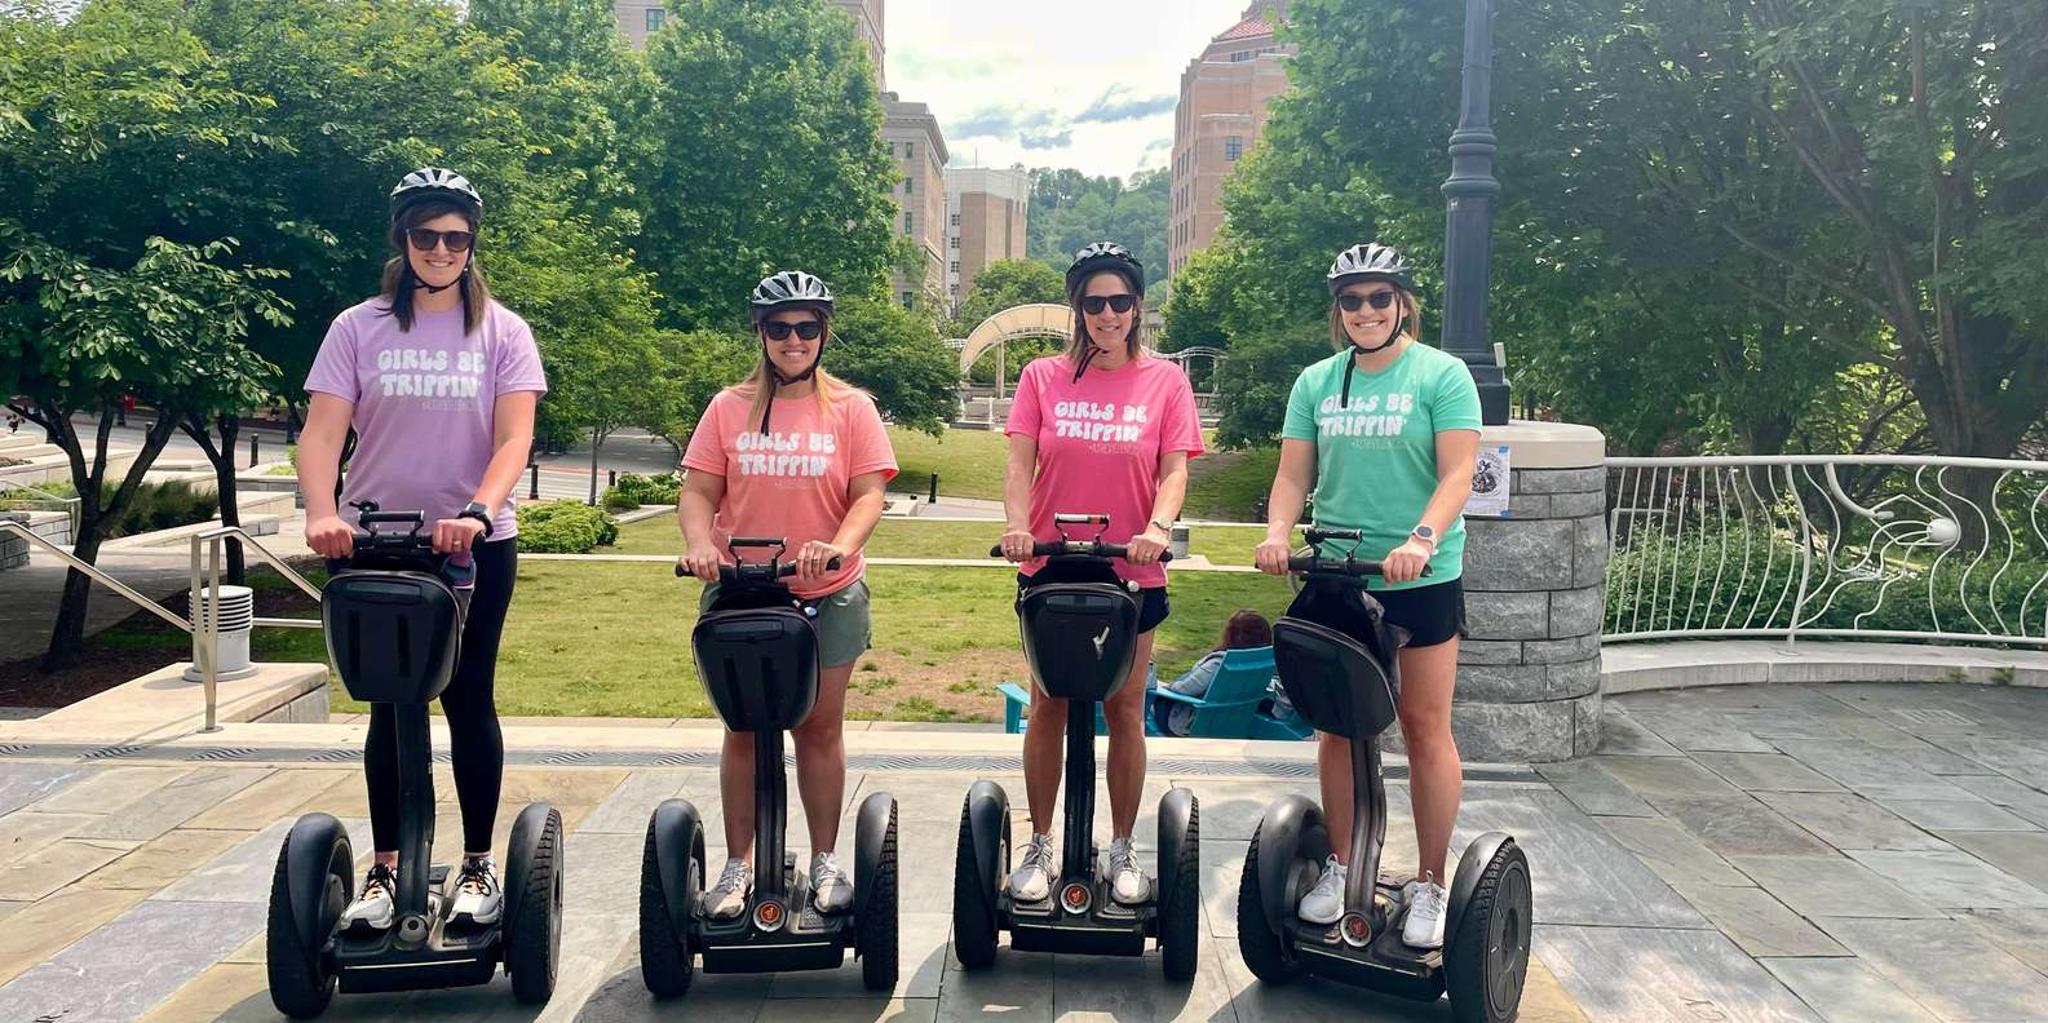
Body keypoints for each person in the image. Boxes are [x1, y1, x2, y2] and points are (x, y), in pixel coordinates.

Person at [300, 167, 546, 932]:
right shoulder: (357, 326)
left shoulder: (502, 330)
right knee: (389, 706)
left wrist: (479, 507)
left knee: (468, 697)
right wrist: (319, 510)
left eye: (456, 238)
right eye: (426, 236)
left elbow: (515, 436)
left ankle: (477, 862)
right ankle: (387, 867)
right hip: (373, 540)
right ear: (402, 240)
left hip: (472, 546)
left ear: (472, 245)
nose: (441, 250)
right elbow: (321, 431)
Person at [1253, 243, 1479, 948]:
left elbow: (1459, 473)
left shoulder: (1441, 374)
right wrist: (1277, 530)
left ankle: (1432, 880)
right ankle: (1343, 866)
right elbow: (1293, 476)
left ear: (1403, 302)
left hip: (1420, 576)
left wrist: (1420, 537)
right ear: (1338, 310)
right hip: (1339, 573)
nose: (1366, 311)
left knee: (1421, 726)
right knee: (1340, 727)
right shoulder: (1318, 382)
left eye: (1380, 297)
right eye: (1352, 300)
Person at [677, 270, 897, 918]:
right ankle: (738, 863)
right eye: (780, 328)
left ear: (823, 334)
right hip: (743, 591)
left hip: (826, 592)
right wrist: (700, 543)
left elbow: (868, 492)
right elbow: (698, 492)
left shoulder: (851, 409)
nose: (793, 340)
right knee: (743, 728)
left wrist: (838, 543)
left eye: (806, 328)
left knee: (819, 728)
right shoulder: (727, 407)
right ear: (762, 334)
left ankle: (826, 857)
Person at [998, 242, 1204, 906]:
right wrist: (1016, 524)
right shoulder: (1041, 377)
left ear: (1137, 305)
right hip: (1053, 569)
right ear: (1077, 308)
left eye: (1119, 301)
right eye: (1094, 302)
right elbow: (1018, 464)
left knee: (1125, 708)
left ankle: (1120, 842)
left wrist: (1157, 529)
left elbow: (1174, 469)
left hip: (1131, 573)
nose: (1108, 314)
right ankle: (1039, 840)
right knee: (1049, 704)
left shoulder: (1165, 381)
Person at [1156, 609, 1272, 737]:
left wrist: (1166, 687)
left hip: (1193, 723)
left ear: (1230, 635)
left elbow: (1184, 689)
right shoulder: (1265, 662)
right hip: (1236, 722)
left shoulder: (1220, 664)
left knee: (1147, 696)